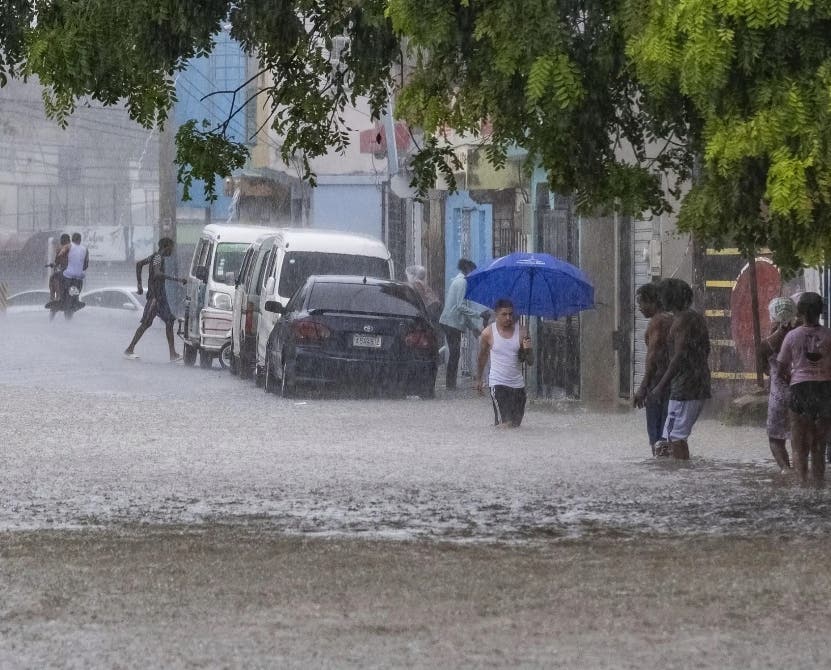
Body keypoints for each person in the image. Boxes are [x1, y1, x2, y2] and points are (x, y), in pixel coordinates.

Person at [649, 278, 711, 460]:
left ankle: (682, 478)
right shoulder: (695, 317)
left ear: (669, 297)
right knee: (676, 436)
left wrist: (660, 385)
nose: (658, 299)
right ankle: (684, 476)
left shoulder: (682, 321)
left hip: (685, 388)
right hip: (696, 384)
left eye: (660, 295)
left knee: (674, 436)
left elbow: (679, 356)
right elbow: (705, 350)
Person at [776, 292, 831, 484]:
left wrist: (792, 378)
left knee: (799, 446)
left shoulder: (792, 336)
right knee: (819, 444)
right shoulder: (829, 335)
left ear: (799, 312)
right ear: (820, 311)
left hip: (800, 389)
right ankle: (818, 486)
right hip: (824, 390)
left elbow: (781, 368)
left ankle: (802, 487)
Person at [124, 237, 187, 362]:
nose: (172, 250)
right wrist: (177, 279)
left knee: (169, 321)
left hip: (160, 296)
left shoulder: (154, 257)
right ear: (166, 246)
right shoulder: (158, 257)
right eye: (171, 247)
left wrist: (139, 284)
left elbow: (139, 264)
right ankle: (129, 349)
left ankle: (172, 354)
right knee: (146, 323)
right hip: (155, 297)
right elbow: (157, 274)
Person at [475, 298, 533, 427]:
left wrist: (527, 349)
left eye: (510, 314)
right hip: (498, 383)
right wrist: (478, 379)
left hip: (518, 386)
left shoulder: (523, 332)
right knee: (505, 425)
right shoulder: (488, 333)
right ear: (496, 315)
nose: (508, 318)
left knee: (515, 426)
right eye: (504, 314)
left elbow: (530, 361)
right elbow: (482, 357)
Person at [633, 282, 673, 454]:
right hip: (672, 383)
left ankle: (660, 471)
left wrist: (643, 387)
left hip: (657, 385)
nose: (639, 308)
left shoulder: (657, 322)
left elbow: (653, 356)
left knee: (657, 439)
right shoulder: (671, 319)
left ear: (653, 302)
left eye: (641, 302)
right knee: (668, 436)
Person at [758, 297, 797, 472]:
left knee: (775, 438)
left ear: (772, 316)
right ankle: (801, 470)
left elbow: (764, 370)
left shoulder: (766, 344)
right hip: (802, 392)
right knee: (798, 436)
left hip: (778, 395)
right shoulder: (803, 336)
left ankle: (785, 470)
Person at [439, 258, 486, 390]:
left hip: (451, 322)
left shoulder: (459, 281)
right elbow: (460, 307)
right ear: (467, 269)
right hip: (451, 323)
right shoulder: (462, 283)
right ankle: (450, 384)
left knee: (455, 353)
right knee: (455, 353)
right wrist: (479, 314)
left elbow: (462, 310)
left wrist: (473, 328)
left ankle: (451, 383)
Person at [61, 232, 89, 309]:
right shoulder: (85, 249)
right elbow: (86, 265)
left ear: (72, 239)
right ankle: (76, 300)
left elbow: (60, 257)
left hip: (68, 275)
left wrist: (63, 265)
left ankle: (60, 298)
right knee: (76, 288)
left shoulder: (68, 246)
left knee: (60, 279)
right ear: (80, 240)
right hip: (79, 276)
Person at [45, 233, 71, 316]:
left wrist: (53, 265)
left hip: (65, 271)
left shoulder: (61, 249)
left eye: (62, 240)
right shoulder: (74, 249)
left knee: (53, 278)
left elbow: (57, 262)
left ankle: (55, 297)